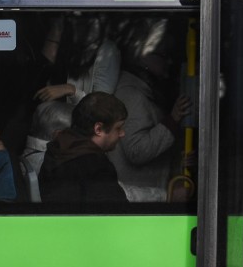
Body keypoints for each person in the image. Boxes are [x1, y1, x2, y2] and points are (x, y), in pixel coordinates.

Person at [109, 38, 192, 202]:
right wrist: (173, 120)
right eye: (162, 56)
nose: (168, 62)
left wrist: (179, 160)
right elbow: (137, 150)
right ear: (142, 56)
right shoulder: (131, 95)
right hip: (137, 198)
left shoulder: (144, 92)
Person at [38, 91, 128, 204]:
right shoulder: (96, 167)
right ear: (98, 129)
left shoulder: (59, 146)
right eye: (118, 128)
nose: (122, 133)